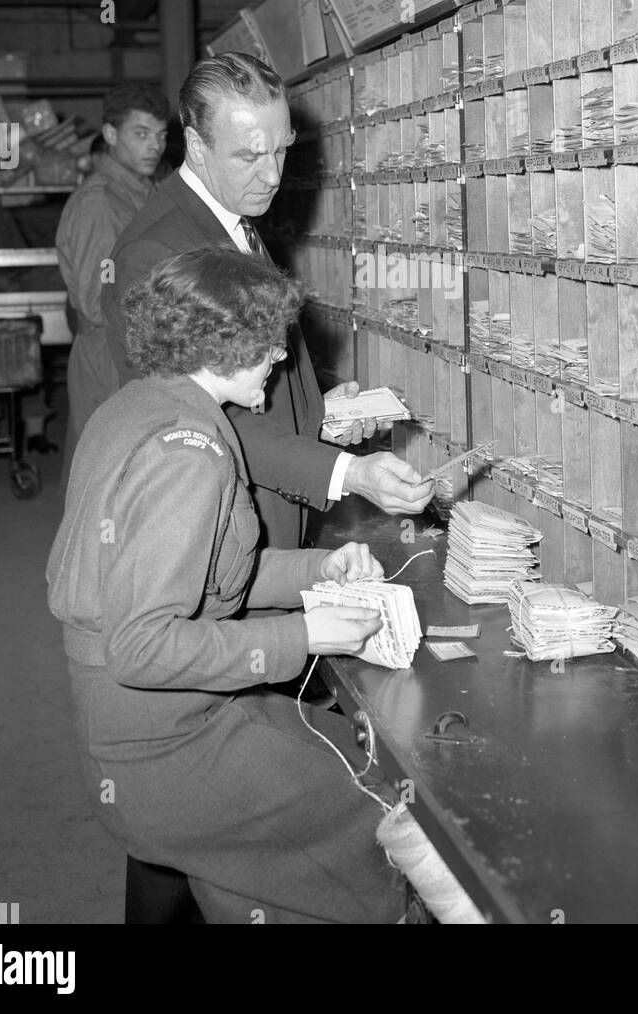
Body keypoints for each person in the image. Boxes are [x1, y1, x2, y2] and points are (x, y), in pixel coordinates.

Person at [47, 248, 405, 924]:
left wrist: (316, 572)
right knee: (384, 812)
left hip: (148, 724)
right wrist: (305, 634)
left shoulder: (140, 407)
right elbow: (143, 646)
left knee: (325, 752)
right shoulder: (189, 455)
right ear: (221, 345)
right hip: (166, 746)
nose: (279, 358)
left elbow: (202, 577)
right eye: (268, 343)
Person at [101, 52, 433, 551]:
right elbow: (199, 422)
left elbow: (240, 368)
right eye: (250, 156)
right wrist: (351, 473)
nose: (273, 175)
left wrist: (317, 413)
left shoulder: (228, 215)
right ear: (195, 145)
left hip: (270, 504)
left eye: (281, 151)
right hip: (222, 530)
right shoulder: (157, 252)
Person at [56, 84, 169, 477]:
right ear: (110, 135)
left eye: (161, 135)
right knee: (107, 479)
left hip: (135, 353)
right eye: (141, 134)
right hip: (110, 357)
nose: (154, 146)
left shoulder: (141, 193)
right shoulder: (100, 203)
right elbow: (97, 301)